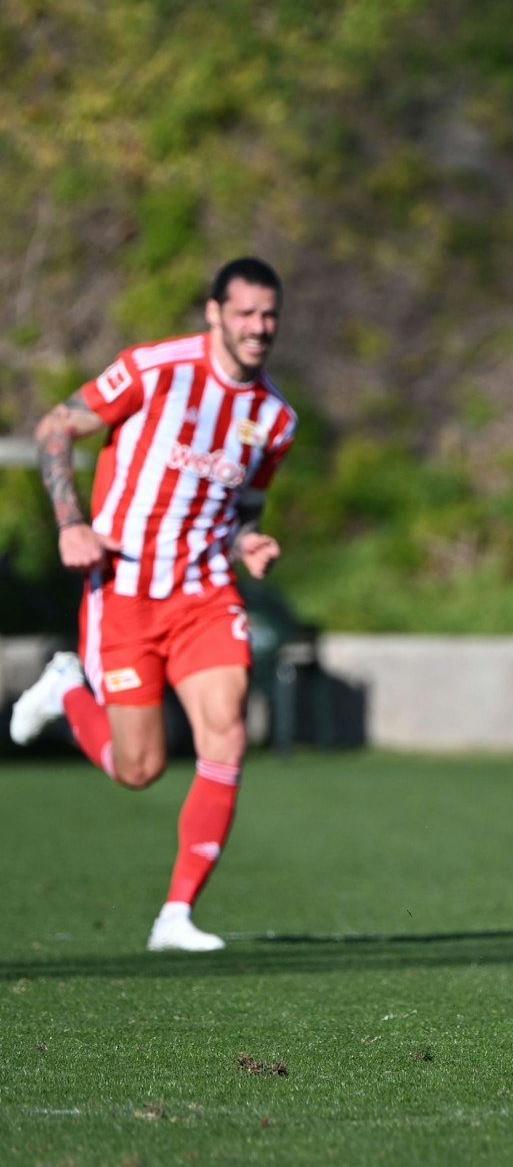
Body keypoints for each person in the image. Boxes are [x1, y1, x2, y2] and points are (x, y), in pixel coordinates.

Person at [8, 257, 298, 951]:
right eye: (247, 313)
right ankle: (66, 686)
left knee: (224, 729)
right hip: (127, 589)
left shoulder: (274, 417)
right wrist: (71, 523)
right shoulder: (154, 369)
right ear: (214, 312)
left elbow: (245, 507)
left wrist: (249, 543)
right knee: (138, 769)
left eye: (270, 315)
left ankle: (176, 915)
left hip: (203, 591)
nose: (260, 328)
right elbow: (55, 427)